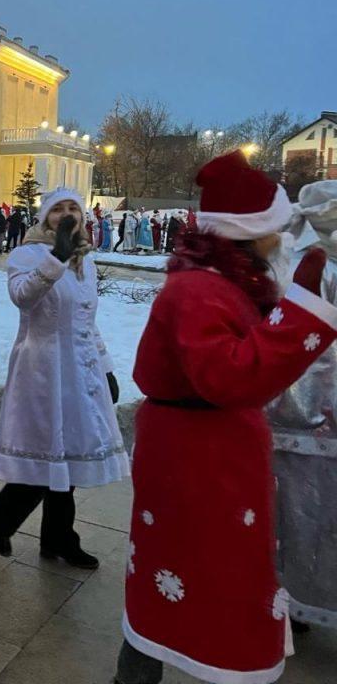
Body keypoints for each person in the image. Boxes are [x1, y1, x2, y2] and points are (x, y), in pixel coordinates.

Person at [115, 151, 337, 684]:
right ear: (252, 232)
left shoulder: (220, 281)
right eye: (278, 228)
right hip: (196, 458)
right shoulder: (199, 290)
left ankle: (144, 667)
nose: (283, 238)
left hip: (206, 451)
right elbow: (227, 375)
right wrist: (303, 315)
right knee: (198, 568)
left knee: (189, 567)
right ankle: (146, 672)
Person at [0, 188, 128, 569]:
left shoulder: (87, 259)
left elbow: (86, 319)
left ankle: (57, 538)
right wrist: (55, 258)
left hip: (81, 368)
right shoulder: (26, 253)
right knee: (48, 453)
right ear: (45, 216)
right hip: (42, 369)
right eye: (58, 209)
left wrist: (107, 365)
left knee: (70, 456)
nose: (66, 215)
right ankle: (4, 515)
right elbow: (23, 297)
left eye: (73, 209)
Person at [266, 179, 337, 632]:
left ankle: (304, 598)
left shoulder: (291, 254)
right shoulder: (295, 257)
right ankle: (294, 600)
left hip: (294, 402)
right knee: (298, 511)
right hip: (296, 404)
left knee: (307, 511)